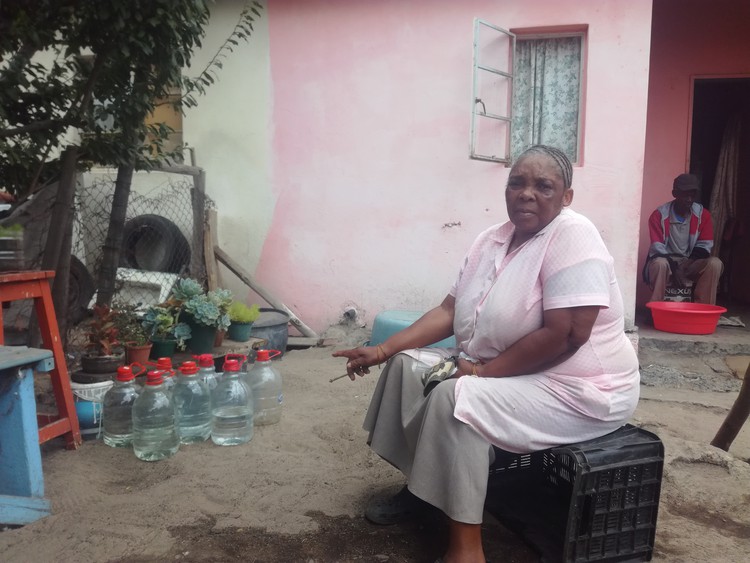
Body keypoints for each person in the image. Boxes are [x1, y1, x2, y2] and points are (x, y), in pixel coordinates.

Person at [333, 145, 640, 563]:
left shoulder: (573, 234)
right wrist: (383, 348)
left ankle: (466, 550)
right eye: (517, 182)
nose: (526, 193)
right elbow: (448, 310)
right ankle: (423, 489)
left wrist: (482, 372)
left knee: (456, 399)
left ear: (566, 196)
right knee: (406, 367)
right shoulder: (491, 239)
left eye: (543, 185)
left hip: (581, 388)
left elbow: (566, 335)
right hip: (515, 371)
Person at [644, 173, 723, 305]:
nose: (689, 199)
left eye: (692, 195)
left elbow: (704, 248)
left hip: (690, 263)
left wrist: (684, 266)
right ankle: (656, 308)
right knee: (659, 264)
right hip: (667, 262)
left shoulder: (703, 215)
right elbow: (657, 249)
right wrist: (675, 269)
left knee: (715, 263)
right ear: (674, 193)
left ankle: (703, 310)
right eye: (685, 194)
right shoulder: (659, 215)